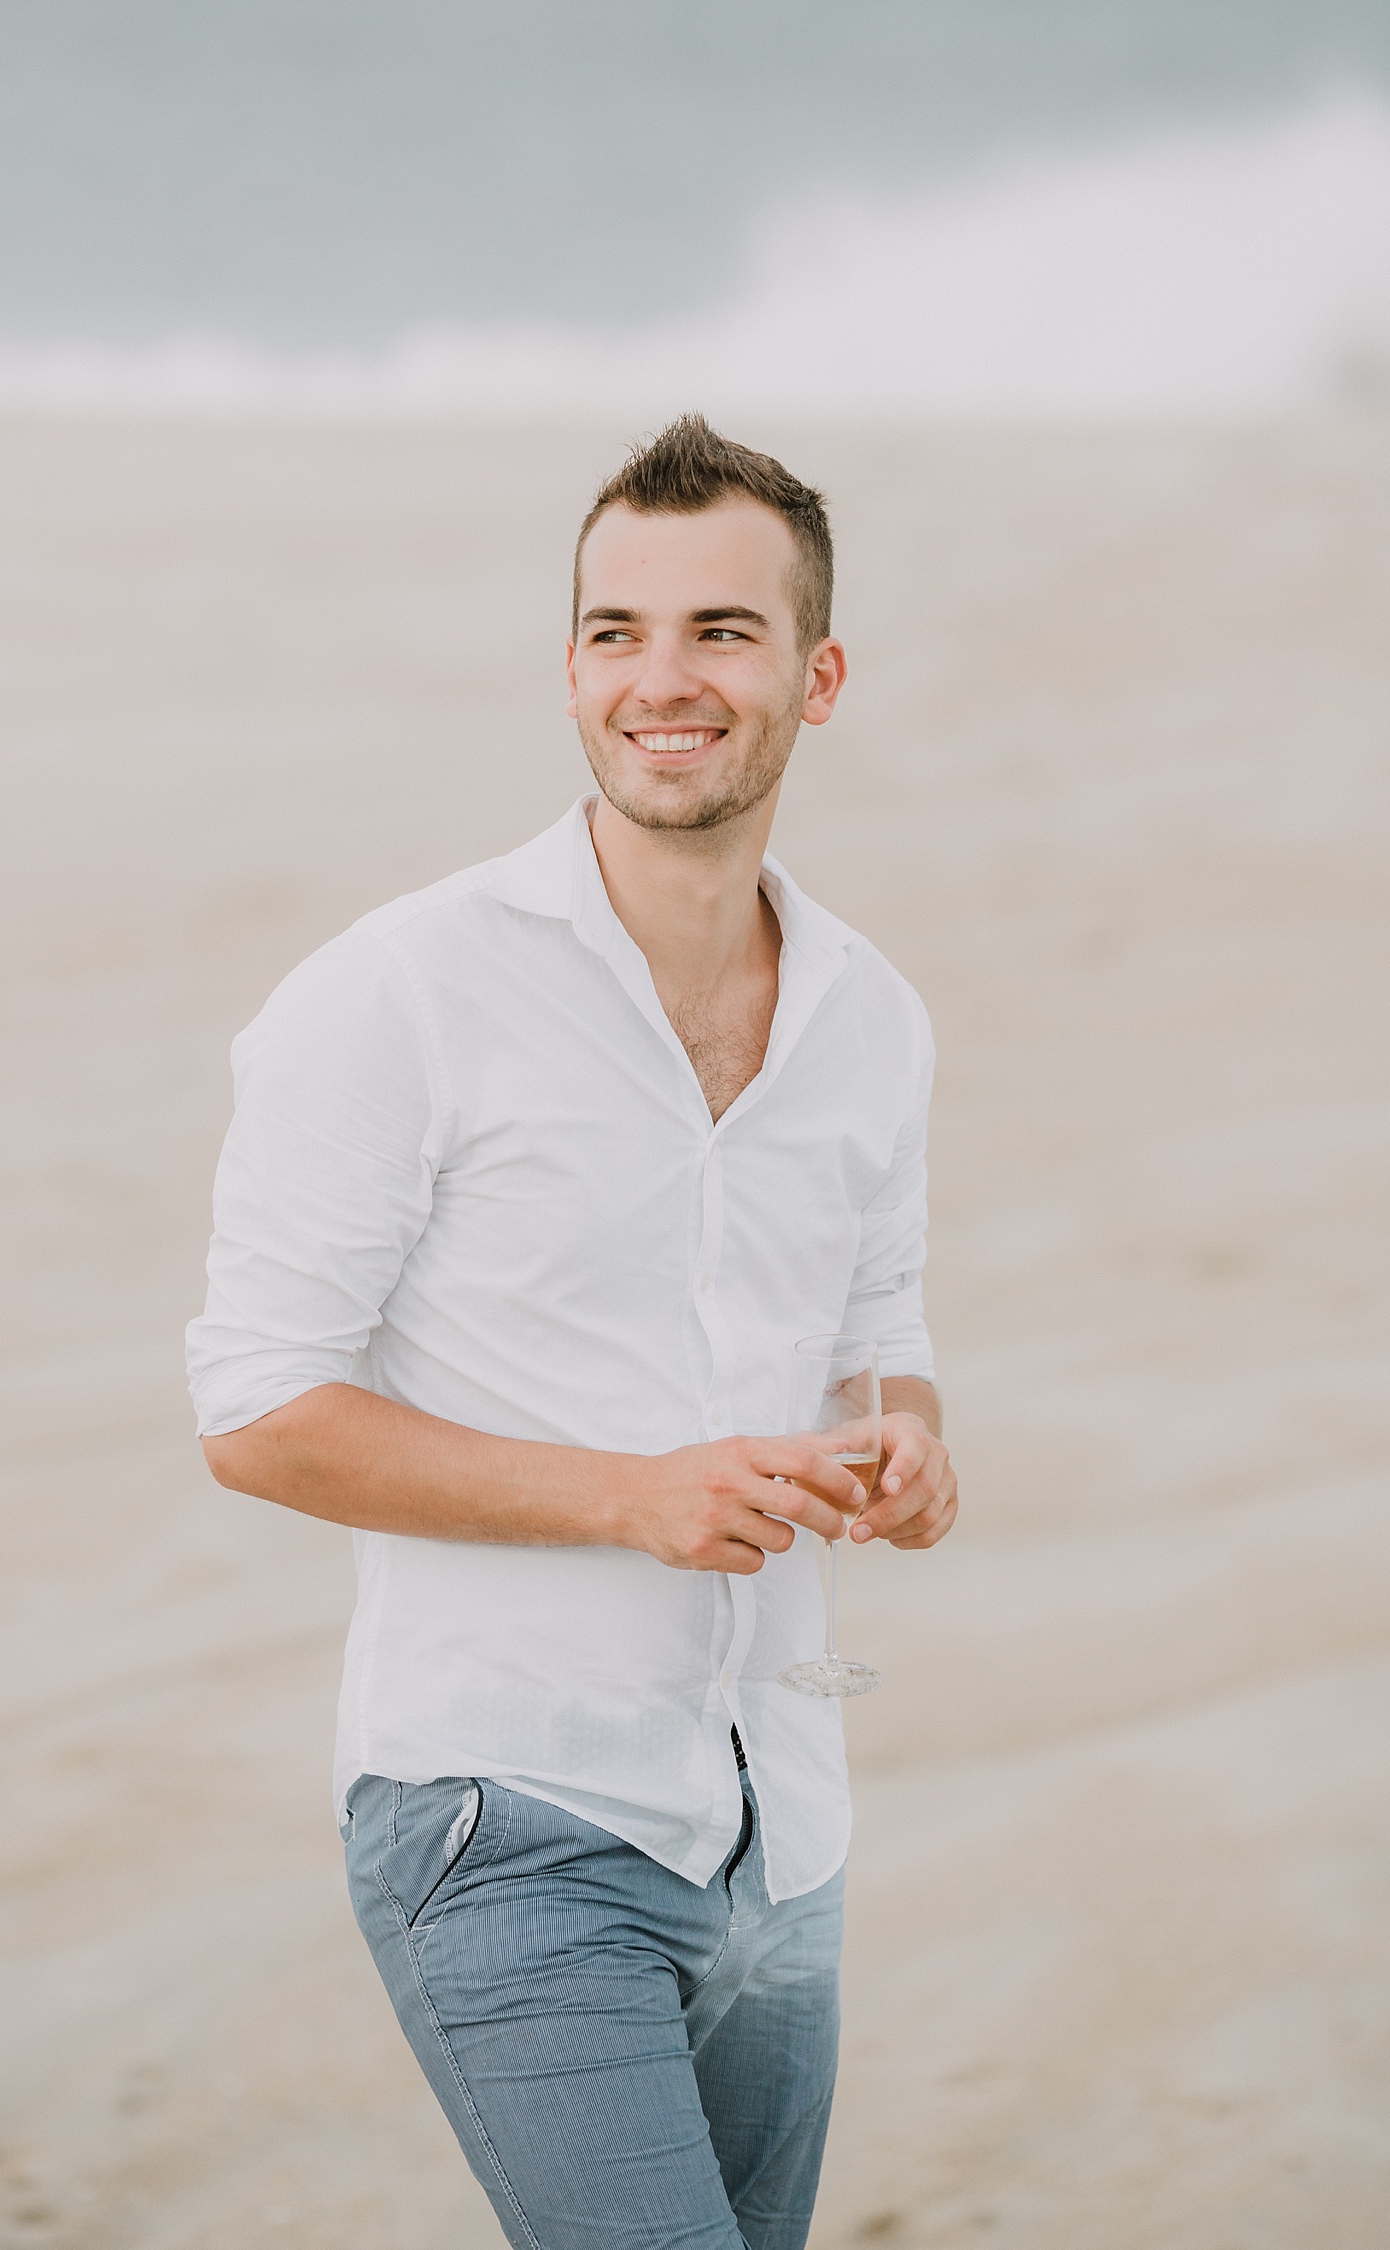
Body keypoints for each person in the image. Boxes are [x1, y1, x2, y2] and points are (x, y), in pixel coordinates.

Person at [186, 414, 958, 2250]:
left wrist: (908, 1439)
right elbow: (255, 1408)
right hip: (503, 1819)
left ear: (817, 674)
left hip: (785, 1829)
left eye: (721, 630)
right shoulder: (398, 992)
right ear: (569, 668)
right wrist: (637, 1496)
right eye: (616, 631)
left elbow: (879, 1323)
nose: (662, 680)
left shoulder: (872, 1014)